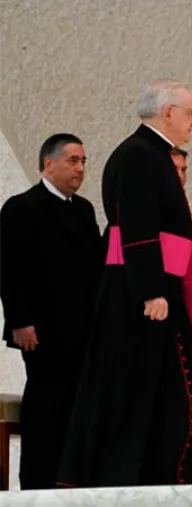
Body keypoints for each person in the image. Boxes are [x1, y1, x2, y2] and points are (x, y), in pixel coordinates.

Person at [56, 79, 192, 487]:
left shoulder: (152, 153)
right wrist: (152, 289)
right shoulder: (141, 155)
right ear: (168, 112)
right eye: (190, 112)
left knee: (158, 388)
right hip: (144, 292)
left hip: (152, 284)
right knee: (144, 387)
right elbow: (138, 226)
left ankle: (158, 473)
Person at [0, 133, 103, 489]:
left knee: (78, 405)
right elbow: (9, 270)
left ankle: (71, 480)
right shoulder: (21, 207)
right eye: (72, 160)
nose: (80, 169)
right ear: (48, 163)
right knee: (47, 405)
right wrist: (20, 321)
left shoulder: (85, 210)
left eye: (83, 161)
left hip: (81, 330)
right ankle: (38, 481)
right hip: (41, 331)